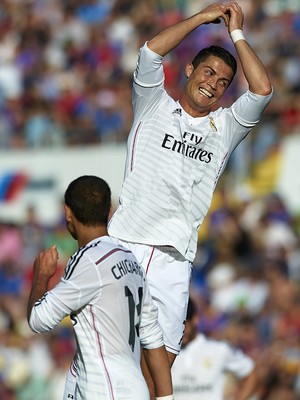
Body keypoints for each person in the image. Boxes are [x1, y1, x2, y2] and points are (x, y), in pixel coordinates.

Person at [108, 1, 272, 368]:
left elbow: (262, 90)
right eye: (208, 72)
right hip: (126, 242)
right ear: (189, 69)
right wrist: (200, 19)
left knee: (161, 361)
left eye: (223, 82)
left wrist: (236, 34)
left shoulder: (226, 128)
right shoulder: (153, 103)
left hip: (176, 256)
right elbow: (150, 51)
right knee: (108, 346)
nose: (212, 84)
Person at [27, 175, 174, 400]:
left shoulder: (88, 261)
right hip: (136, 391)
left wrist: (41, 277)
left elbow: (38, 320)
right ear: (109, 211)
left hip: (106, 391)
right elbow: (153, 338)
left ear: (68, 212)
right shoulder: (130, 260)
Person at [171, 298, 258, 400]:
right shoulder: (165, 353)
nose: (180, 330)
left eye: (183, 324)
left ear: (195, 319)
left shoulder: (219, 348)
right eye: (174, 325)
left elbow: (250, 373)